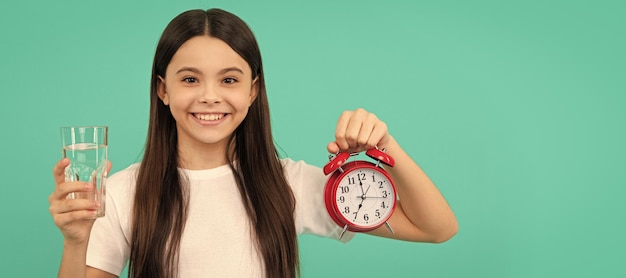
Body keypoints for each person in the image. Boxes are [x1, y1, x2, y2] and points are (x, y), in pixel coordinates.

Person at [48, 8, 458, 278]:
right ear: (163, 90)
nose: (210, 96)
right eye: (190, 79)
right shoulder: (121, 194)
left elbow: (435, 228)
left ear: (252, 91)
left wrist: (388, 149)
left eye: (229, 79)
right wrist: (76, 239)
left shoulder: (287, 184)